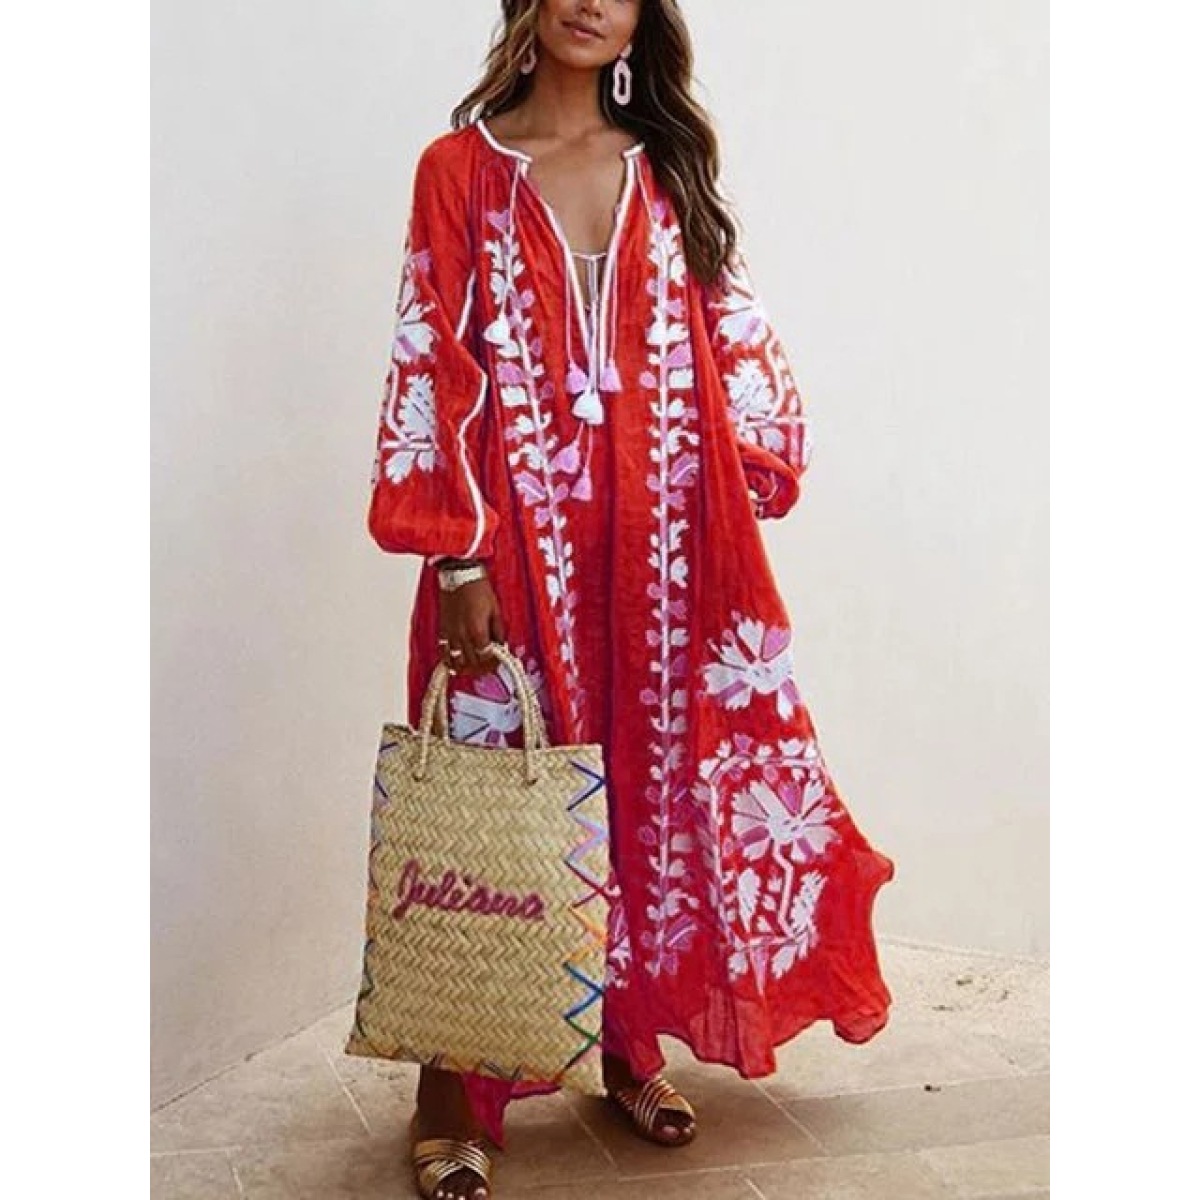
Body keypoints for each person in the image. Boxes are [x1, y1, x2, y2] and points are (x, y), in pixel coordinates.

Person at [366, 2, 895, 1197]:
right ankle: (453, 1090)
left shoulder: (665, 167)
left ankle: (627, 1040)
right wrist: (457, 558)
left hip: (662, 542)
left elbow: (729, 323)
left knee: (648, 788)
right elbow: (430, 356)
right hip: (515, 541)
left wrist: (748, 465)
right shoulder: (459, 171)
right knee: (496, 801)